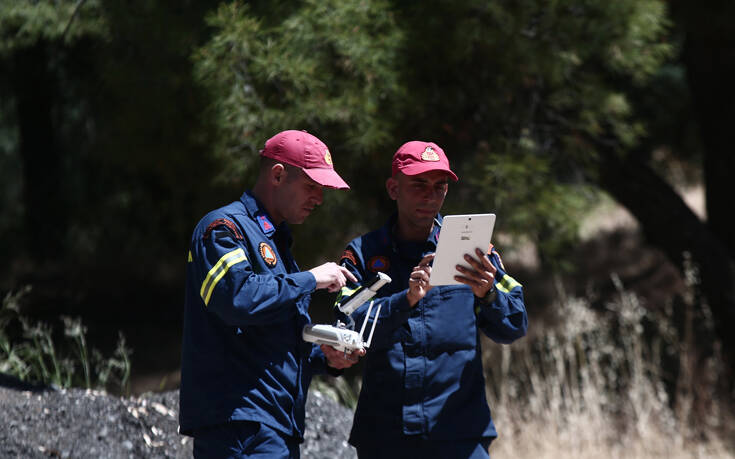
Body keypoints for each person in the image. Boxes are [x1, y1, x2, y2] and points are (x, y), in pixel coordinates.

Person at [337, 140, 528, 458]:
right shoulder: (362, 254)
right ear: (393, 189)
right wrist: (405, 300)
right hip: (386, 435)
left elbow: (515, 325)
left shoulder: (476, 251)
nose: (431, 195)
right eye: (419, 185)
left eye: (440, 186)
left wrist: (488, 294)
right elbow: (347, 323)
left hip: (459, 433)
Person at [180, 130, 364, 458]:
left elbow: (275, 340)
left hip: (274, 424)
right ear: (278, 174)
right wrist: (311, 278)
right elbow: (237, 299)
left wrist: (328, 359)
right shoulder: (223, 228)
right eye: (312, 186)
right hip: (240, 424)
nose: (319, 198)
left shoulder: (277, 242)